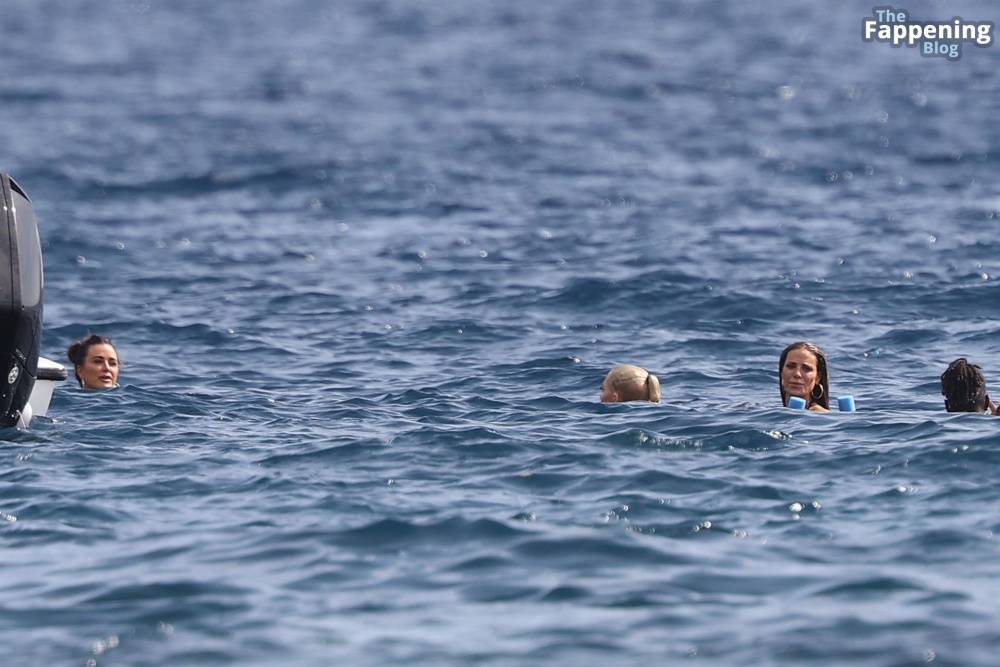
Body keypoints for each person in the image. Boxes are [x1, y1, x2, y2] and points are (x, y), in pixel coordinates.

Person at [778, 341, 830, 412]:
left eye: (807, 369)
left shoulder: (821, 416)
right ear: (782, 372)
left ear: (818, 378)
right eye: (791, 366)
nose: (797, 374)